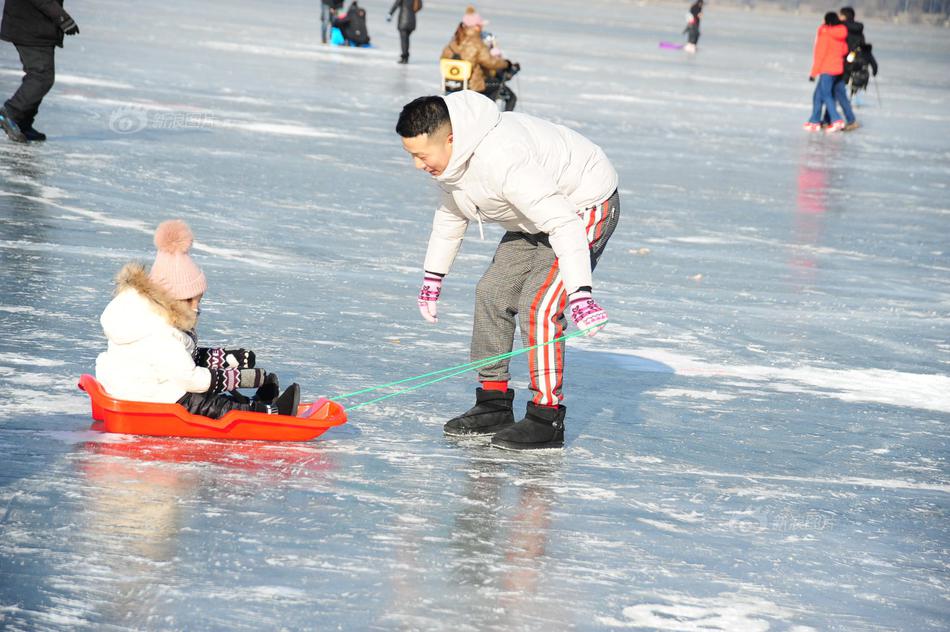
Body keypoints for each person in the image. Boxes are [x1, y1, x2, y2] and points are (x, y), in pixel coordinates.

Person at [395, 92, 619, 451]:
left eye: (421, 156)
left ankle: (546, 416)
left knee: (541, 307)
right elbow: (451, 216)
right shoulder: (451, 163)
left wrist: (580, 292)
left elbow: (563, 222)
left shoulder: (504, 160)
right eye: (412, 156)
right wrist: (433, 277)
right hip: (531, 214)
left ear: (451, 140)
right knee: (492, 293)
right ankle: (493, 402)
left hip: (580, 208)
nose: (418, 165)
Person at [96, 220, 302, 419]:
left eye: (198, 301)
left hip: (144, 386)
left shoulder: (151, 315)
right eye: (191, 301)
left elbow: (181, 356)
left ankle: (252, 405)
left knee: (201, 395)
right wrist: (236, 378)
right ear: (173, 299)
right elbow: (190, 377)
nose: (196, 308)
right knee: (202, 402)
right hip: (144, 397)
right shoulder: (158, 332)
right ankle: (262, 414)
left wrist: (225, 357)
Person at [0, 0, 80, 143]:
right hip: (29, 27)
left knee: (40, 76)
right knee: (41, 77)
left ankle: (23, 122)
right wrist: (62, 18)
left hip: (35, 26)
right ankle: (11, 113)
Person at [441, 8, 517, 110]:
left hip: (451, 84)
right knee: (504, 91)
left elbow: (443, 58)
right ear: (476, 27)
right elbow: (490, 62)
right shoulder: (477, 43)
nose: (482, 27)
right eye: (480, 25)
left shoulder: (454, 41)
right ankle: (491, 116)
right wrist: (506, 64)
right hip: (472, 85)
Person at [804, 12, 849, 134]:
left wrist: (813, 73)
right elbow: (844, 50)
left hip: (827, 69)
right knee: (818, 95)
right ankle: (814, 121)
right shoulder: (840, 33)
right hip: (837, 69)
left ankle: (836, 120)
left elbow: (820, 55)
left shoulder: (825, 35)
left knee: (825, 95)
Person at [387, 0, 418, 64]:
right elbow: (419, 7)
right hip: (412, 22)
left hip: (403, 21)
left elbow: (396, 4)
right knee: (406, 40)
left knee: (404, 40)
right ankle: (406, 56)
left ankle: (404, 57)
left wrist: (390, 13)